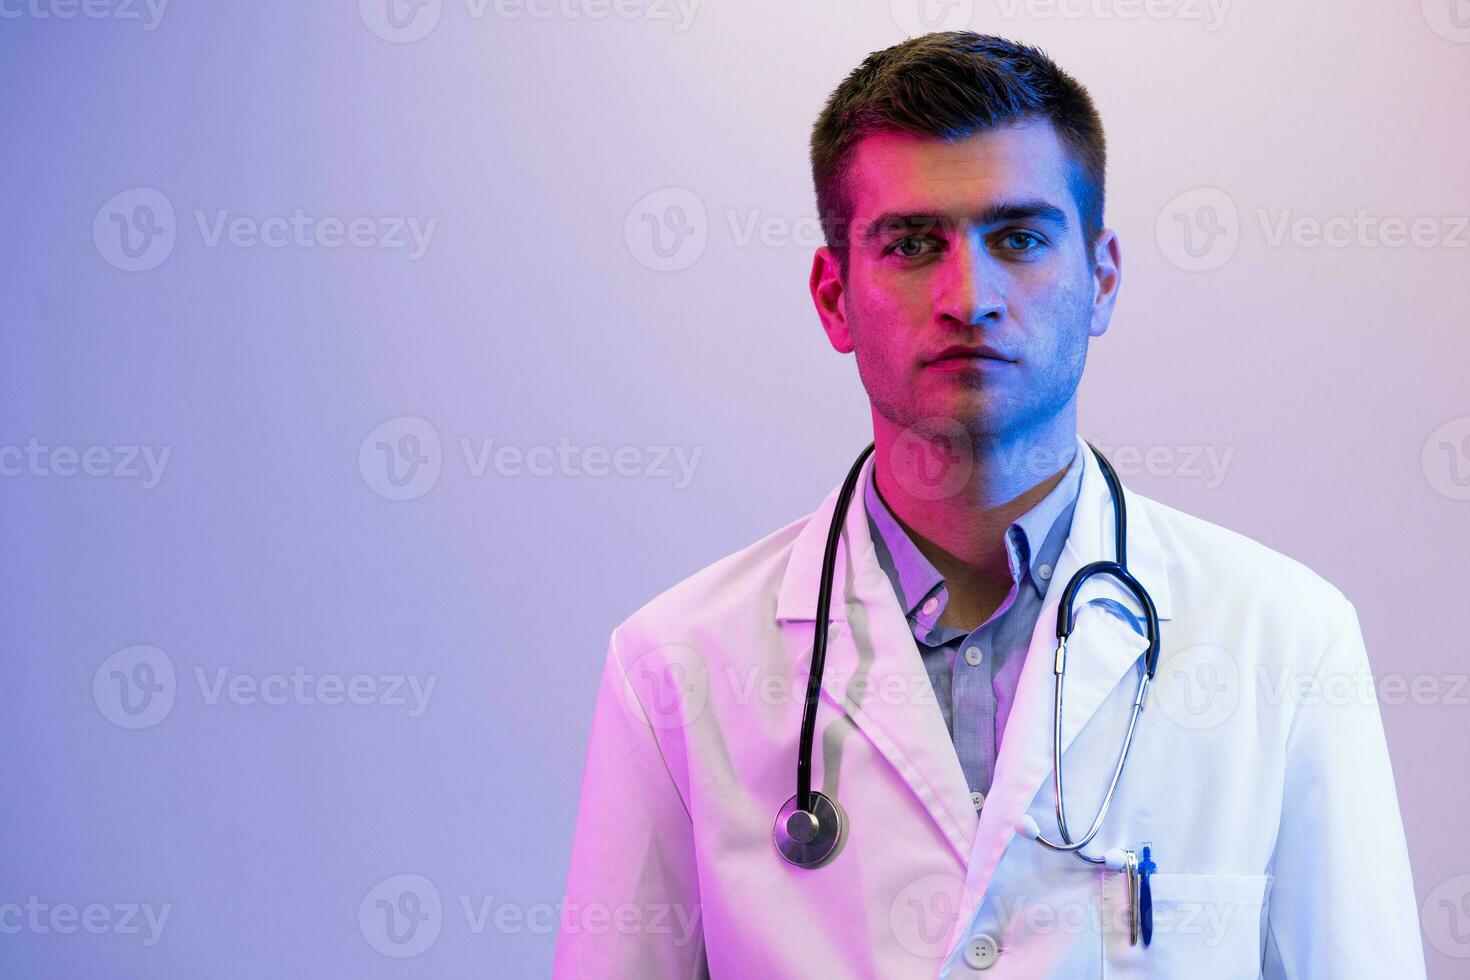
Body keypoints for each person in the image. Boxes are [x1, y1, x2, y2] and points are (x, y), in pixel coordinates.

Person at [553, 32, 1424, 979]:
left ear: (1102, 279)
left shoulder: (1288, 642)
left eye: (1017, 238)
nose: (969, 297)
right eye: (913, 244)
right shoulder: (673, 667)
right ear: (835, 295)